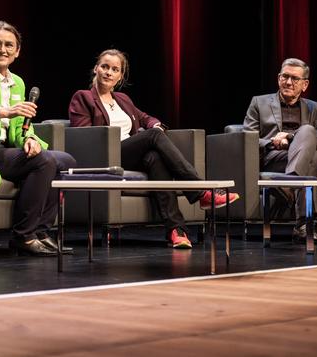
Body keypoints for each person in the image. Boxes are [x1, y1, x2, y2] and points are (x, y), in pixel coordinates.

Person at [68, 49, 239, 249]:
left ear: (120, 76)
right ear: (96, 69)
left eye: (115, 69)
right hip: (105, 154)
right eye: (104, 67)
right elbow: (83, 135)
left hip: (130, 154)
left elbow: (145, 118)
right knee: (154, 137)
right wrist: (153, 132)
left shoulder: (122, 99)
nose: (108, 72)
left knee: (155, 158)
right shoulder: (83, 97)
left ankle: (176, 230)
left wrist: (155, 124)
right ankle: (200, 192)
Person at [0, 21, 76, 256]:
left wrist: (30, 138)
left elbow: (20, 127)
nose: (3, 50)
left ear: (17, 51)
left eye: (9, 45)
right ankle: (23, 236)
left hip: (10, 150)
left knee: (66, 160)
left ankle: (41, 231)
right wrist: (2, 111)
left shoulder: (17, 82)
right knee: (45, 161)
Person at [242, 57, 317, 242]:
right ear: (278, 78)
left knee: (308, 131)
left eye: (295, 79)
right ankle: (305, 224)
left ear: (305, 84)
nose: (288, 82)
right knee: (310, 159)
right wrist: (272, 142)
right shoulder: (259, 103)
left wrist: (291, 138)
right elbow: (247, 138)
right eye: (285, 76)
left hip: (307, 155)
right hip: (274, 157)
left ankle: (290, 183)